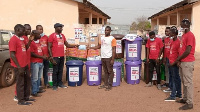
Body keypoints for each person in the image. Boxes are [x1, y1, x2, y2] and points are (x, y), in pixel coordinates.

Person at [9, 24, 35, 106]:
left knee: (27, 81)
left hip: (25, 64)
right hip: (18, 66)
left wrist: (30, 41)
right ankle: (20, 100)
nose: (24, 32)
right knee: (20, 83)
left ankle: (26, 97)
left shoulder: (21, 39)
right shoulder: (13, 40)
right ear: (17, 30)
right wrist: (19, 66)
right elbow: (12, 54)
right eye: (22, 30)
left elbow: (25, 48)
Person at [48, 23, 78, 91]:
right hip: (55, 56)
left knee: (61, 70)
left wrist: (75, 45)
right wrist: (51, 57)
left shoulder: (62, 36)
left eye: (61, 27)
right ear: (56, 28)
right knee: (55, 71)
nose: (61, 29)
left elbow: (67, 44)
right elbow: (49, 47)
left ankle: (60, 83)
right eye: (60, 27)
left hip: (62, 56)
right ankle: (55, 85)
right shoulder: (52, 36)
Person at [175, 19, 195, 110]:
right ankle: (185, 98)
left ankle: (190, 103)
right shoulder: (184, 35)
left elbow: (188, 51)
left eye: (182, 26)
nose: (180, 27)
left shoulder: (190, 36)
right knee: (184, 81)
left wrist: (178, 59)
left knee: (188, 83)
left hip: (188, 61)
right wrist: (179, 59)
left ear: (186, 26)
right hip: (183, 61)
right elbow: (182, 49)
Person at [89, 26, 116, 91]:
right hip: (103, 57)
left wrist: (112, 59)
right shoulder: (102, 38)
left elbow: (114, 49)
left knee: (110, 71)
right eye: (105, 30)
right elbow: (99, 46)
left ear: (110, 31)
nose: (106, 31)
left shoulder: (112, 39)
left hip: (109, 57)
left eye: (107, 30)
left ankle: (110, 85)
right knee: (105, 71)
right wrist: (91, 47)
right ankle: (105, 84)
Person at [164, 26, 182, 101]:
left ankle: (173, 95)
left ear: (174, 33)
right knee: (176, 78)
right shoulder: (172, 41)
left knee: (175, 79)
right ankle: (179, 94)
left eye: (171, 32)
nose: (169, 33)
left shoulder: (178, 42)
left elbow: (179, 54)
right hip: (171, 62)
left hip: (174, 63)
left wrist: (175, 62)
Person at [30, 30, 48, 97]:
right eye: (38, 34)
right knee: (35, 78)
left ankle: (37, 89)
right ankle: (34, 91)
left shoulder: (39, 42)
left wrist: (44, 56)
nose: (40, 35)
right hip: (35, 62)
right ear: (34, 35)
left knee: (39, 77)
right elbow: (31, 53)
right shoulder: (32, 43)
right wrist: (41, 56)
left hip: (40, 62)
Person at [163, 27, 172, 92]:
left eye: (167, 31)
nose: (166, 32)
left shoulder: (172, 39)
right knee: (166, 71)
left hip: (171, 58)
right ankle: (167, 82)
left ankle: (170, 85)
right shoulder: (165, 39)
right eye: (165, 31)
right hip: (166, 57)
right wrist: (164, 58)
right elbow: (164, 49)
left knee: (170, 71)